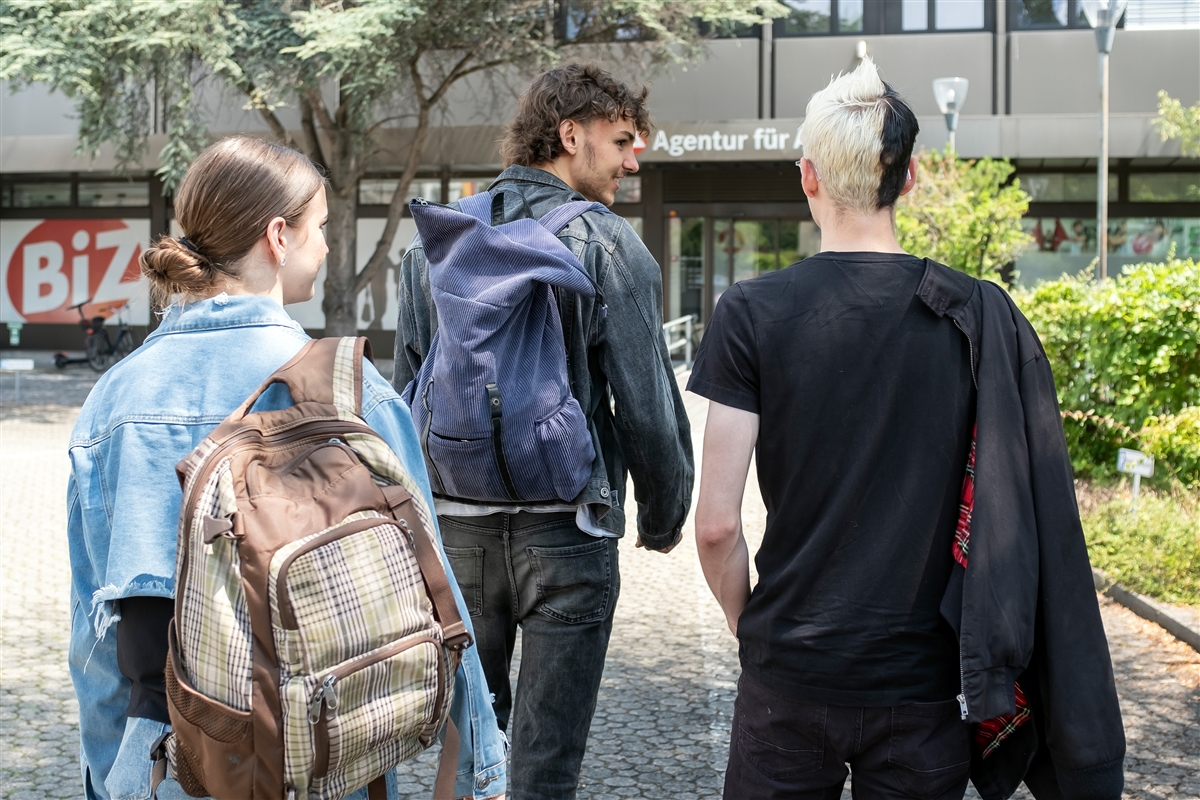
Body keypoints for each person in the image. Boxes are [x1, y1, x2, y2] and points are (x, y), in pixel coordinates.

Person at [689, 58, 1124, 800]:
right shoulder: (975, 315)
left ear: (808, 177)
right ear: (912, 178)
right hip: (926, 685)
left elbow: (717, 529)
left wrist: (752, 632)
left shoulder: (750, 312)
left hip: (791, 675)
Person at [67, 136, 507, 800]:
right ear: (278, 235)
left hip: (170, 767)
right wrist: (483, 766)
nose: (327, 247)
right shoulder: (352, 394)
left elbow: (96, 638)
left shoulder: (114, 402)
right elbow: (435, 592)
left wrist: (115, 779)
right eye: (320, 228)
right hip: (325, 760)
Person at [393, 63, 694, 799]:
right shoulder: (608, 245)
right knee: (547, 763)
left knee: (468, 758)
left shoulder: (435, 243)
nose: (633, 160)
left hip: (458, 532)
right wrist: (662, 515)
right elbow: (648, 408)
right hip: (568, 533)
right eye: (622, 141)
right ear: (570, 135)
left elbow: (407, 395)